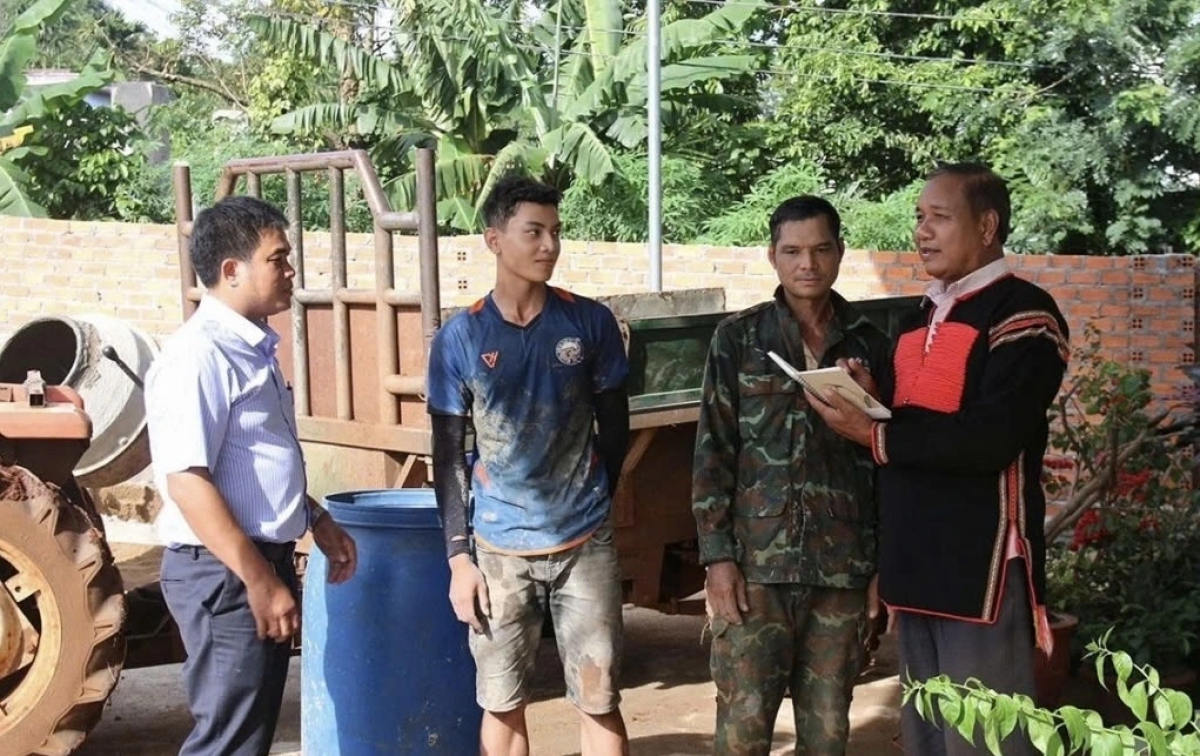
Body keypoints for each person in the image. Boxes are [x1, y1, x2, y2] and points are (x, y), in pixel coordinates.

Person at [807, 163, 1069, 756]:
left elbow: (987, 439)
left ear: (987, 226)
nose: (922, 231)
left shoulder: (1024, 316)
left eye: (940, 217)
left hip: (980, 568)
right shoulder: (921, 315)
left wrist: (871, 436)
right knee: (928, 737)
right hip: (918, 564)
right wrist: (867, 394)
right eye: (919, 218)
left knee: (984, 739)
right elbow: (913, 420)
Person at [426, 175, 632, 756]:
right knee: (501, 700)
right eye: (533, 232)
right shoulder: (461, 337)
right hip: (497, 552)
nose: (549, 245)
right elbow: (448, 455)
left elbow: (614, 428)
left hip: (584, 544)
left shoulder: (589, 324)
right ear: (493, 239)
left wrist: (591, 498)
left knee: (599, 698)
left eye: (555, 233)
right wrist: (459, 557)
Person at [145, 195, 358, 756]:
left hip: (254, 564)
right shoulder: (198, 356)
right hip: (225, 574)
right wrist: (259, 583)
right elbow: (188, 481)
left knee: (248, 736)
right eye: (279, 259)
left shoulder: (252, 349)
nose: (290, 273)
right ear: (231, 270)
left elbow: (253, 462)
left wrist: (314, 517)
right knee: (228, 740)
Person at [692, 196, 891, 755]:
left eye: (821, 249)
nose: (808, 263)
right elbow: (712, 453)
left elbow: (887, 460)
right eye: (793, 251)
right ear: (773, 257)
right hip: (757, 570)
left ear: (840, 252)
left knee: (828, 733)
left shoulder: (870, 343)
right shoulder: (738, 340)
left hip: (844, 570)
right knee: (743, 731)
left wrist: (883, 568)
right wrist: (718, 558)